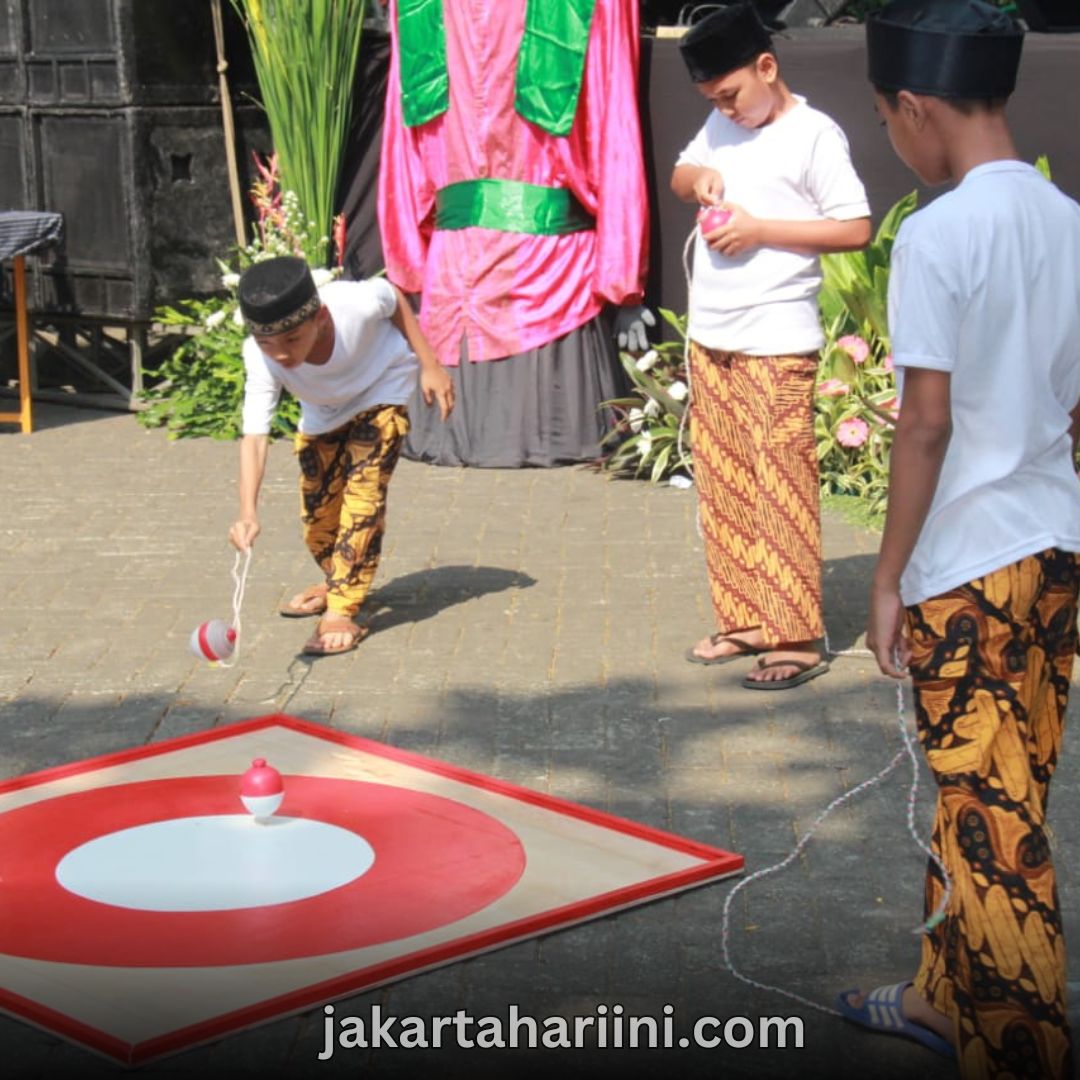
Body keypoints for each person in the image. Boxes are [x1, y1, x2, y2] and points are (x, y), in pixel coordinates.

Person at [840, 2, 1080, 1075]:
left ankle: (1024, 1050)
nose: (895, 139)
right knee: (997, 794)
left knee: (995, 831)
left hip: (970, 571)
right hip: (1059, 552)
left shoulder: (936, 233)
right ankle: (945, 998)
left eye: (889, 121)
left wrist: (888, 578)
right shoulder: (1069, 220)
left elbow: (924, 423)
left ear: (917, 108)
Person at [671, 2, 871, 689]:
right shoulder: (719, 126)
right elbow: (681, 173)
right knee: (723, 481)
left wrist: (760, 230)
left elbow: (856, 228)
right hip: (713, 338)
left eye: (730, 94)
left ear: (767, 67)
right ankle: (747, 617)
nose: (724, 110)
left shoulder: (815, 135)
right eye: (711, 101)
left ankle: (795, 636)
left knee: (780, 481)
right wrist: (700, 180)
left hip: (777, 340)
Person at [377, 0, 651, 468]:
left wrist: (409, 260)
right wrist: (623, 281)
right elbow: (614, 127)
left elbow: (405, 145)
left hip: (473, 250)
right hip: (534, 257)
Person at [228, 256, 454, 656]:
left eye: (292, 339)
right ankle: (338, 583)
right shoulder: (260, 357)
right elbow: (255, 437)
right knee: (319, 525)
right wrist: (247, 512)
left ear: (321, 317)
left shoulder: (354, 304)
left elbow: (394, 299)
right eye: (268, 343)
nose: (281, 354)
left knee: (362, 502)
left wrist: (430, 364)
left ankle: (342, 610)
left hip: (382, 390)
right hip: (323, 414)